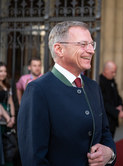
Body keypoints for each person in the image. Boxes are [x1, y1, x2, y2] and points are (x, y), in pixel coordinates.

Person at [17, 21, 116, 166]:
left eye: (91, 44)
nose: (91, 50)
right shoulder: (38, 90)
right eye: (83, 44)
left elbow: (105, 132)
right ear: (59, 49)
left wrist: (110, 154)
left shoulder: (93, 87)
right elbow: (34, 158)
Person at [99, 61, 123, 138]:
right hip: (105, 118)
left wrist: (120, 105)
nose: (114, 74)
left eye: (115, 72)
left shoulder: (112, 81)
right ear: (106, 70)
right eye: (112, 72)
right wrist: (117, 112)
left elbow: (117, 96)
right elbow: (103, 102)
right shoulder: (99, 81)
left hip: (113, 118)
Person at [0, 62, 16, 165]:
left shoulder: (7, 85)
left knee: (8, 145)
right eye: (0, 71)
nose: (3, 73)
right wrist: (7, 118)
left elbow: (10, 101)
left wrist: (13, 117)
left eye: (5, 71)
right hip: (2, 117)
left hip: (7, 118)